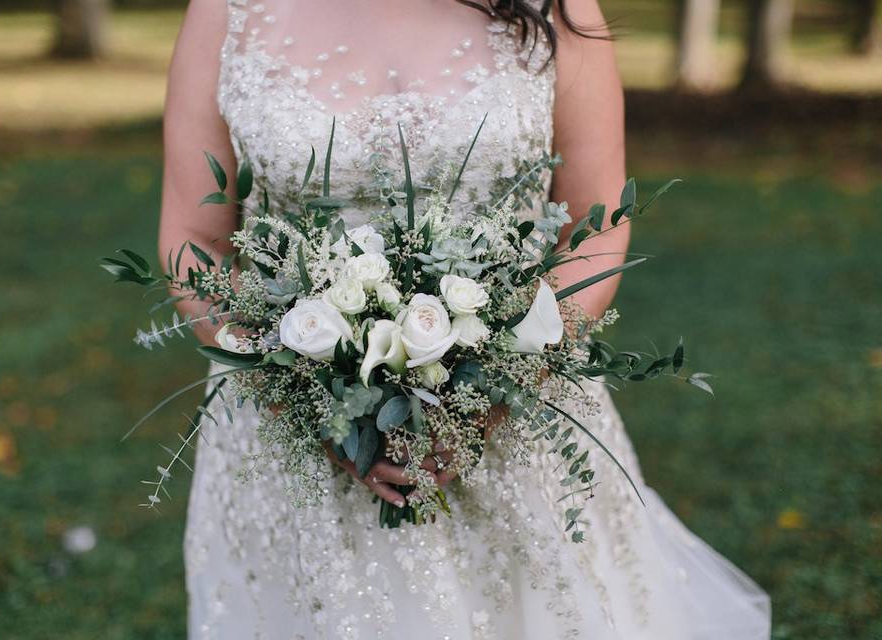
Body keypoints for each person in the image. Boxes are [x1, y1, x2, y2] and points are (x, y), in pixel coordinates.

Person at [158, 1, 771, 637]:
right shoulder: (229, 10)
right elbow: (192, 241)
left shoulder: (554, 5)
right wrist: (309, 401)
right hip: (291, 442)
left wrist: (497, 391)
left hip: (518, 427)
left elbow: (596, 222)